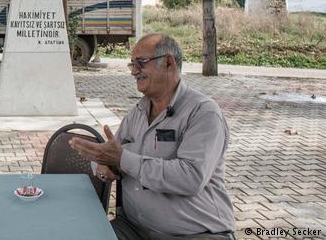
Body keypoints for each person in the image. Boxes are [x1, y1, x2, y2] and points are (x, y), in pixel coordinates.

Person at [69, 34, 235, 240]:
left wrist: (121, 159)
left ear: (168, 63)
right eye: (132, 64)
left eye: (141, 63)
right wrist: (104, 166)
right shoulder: (137, 112)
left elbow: (191, 178)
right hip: (134, 228)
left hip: (195, 233)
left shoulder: (203, 114)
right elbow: (111, 156)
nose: (134, 71)